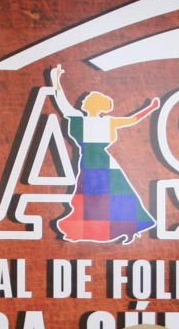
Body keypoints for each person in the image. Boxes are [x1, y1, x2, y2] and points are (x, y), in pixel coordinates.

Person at [50, 66, 160, 244]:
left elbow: (132, 120)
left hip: (104, 162)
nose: (84, 102)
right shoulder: (78, 118)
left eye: (88, 100)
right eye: (86, 100)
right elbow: (62, 103)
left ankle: (128, 230)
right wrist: (56, 81)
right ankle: (88, 231)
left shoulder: (108, 121)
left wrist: (150, 108)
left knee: (120, 195)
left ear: (95, 105)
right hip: (89, 162)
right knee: (90, 198)